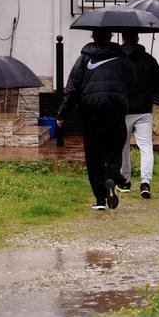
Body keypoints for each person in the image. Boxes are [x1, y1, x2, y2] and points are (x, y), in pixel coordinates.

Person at [57, 29, 135, 211]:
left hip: (91, 110)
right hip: (116, 108)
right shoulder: (122, 58)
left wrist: (62, 115)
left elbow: (72, 89)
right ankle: (111, 177)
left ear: (93, 37)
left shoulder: (84, 59)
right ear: (111, 36)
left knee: (94, 154)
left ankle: (100, 199)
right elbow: (132, 81)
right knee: (115, 148)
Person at [118, 31, 159, 199]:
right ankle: (145, 183)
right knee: (146, 146)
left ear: (123, 38)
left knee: (123, 146)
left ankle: (124, 180)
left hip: (123, 109)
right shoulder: (149, 59)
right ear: (138, 39)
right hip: (144, 110)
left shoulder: (118, 59)